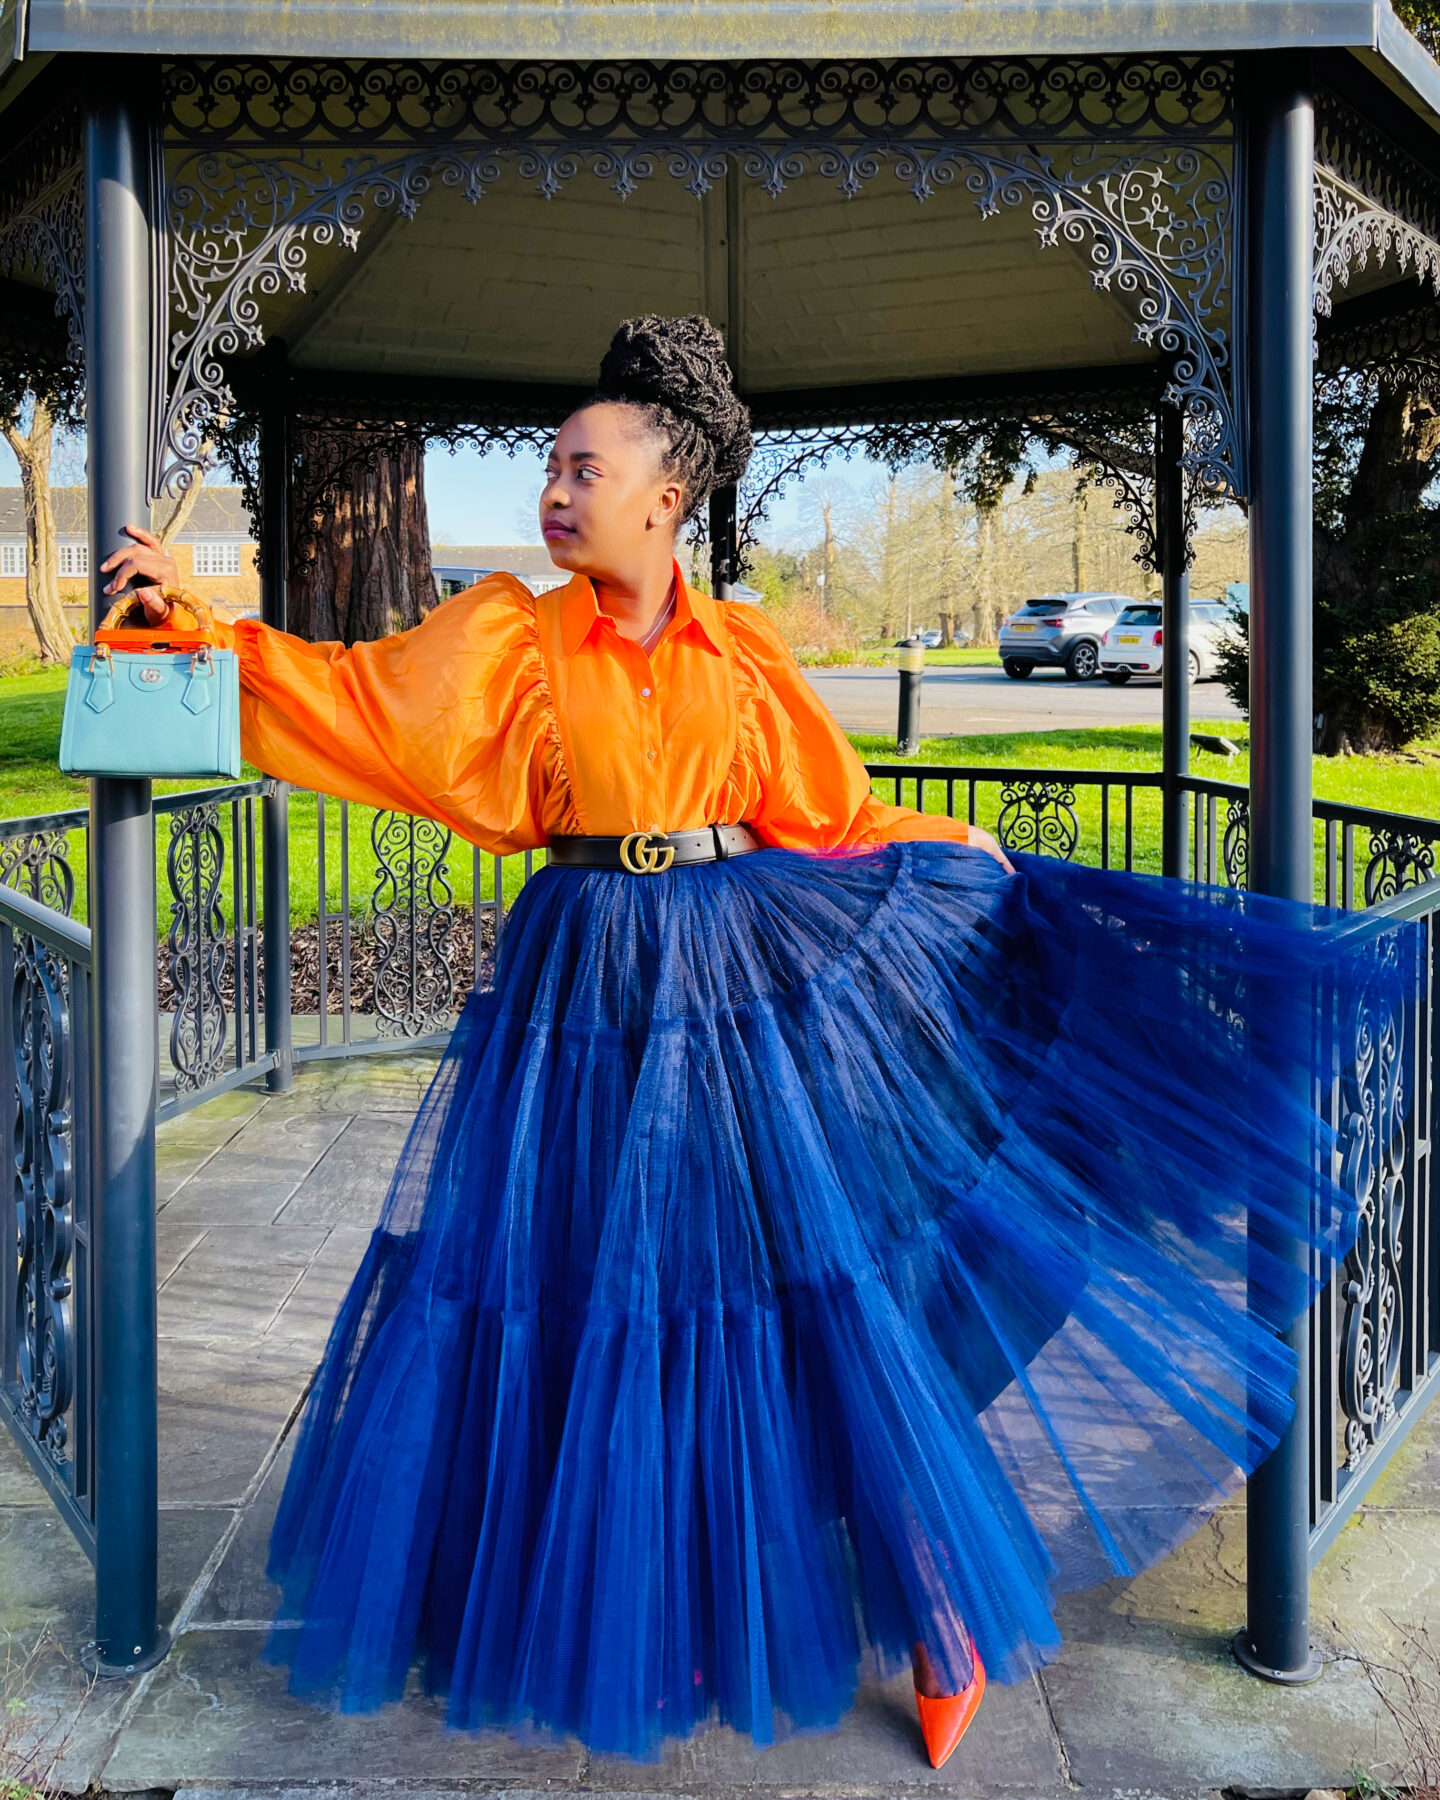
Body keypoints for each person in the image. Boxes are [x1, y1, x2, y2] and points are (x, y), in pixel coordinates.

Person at [103, 314, 1413, 1771]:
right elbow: (360, 703)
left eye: (581, 466)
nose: (553, 487)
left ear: (665, 494)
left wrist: (962, 843)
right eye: (549, 463)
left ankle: (935, 1606)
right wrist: (203, 630)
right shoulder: (511, 638)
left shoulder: (745, 652)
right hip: (581, 1000)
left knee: (806, 1288)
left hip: (745, 999)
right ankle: (595, 1590)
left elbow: (833, 821)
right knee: (584, 1293)